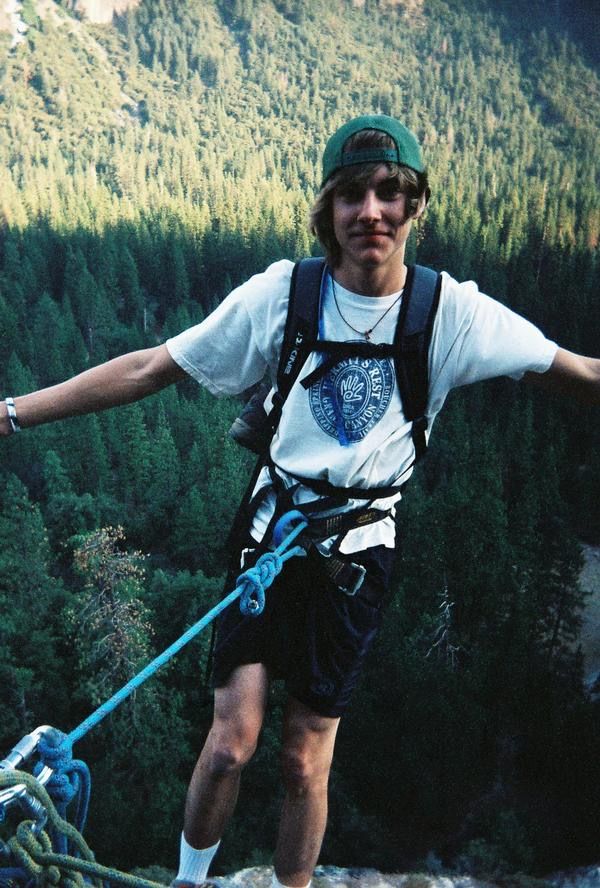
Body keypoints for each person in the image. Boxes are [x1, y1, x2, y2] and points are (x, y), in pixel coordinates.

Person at [1, 115, 599, 888]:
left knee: (303, 758)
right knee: (229, 742)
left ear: (416, 207)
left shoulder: (451, 315)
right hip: (270, 536)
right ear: (328, 210)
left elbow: (575, 372)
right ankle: (191, 882)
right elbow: (153, 365)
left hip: (355, 556)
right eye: (352, 194)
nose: (371, 211)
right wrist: (15, 412)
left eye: (391, 192)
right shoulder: (283, 298)